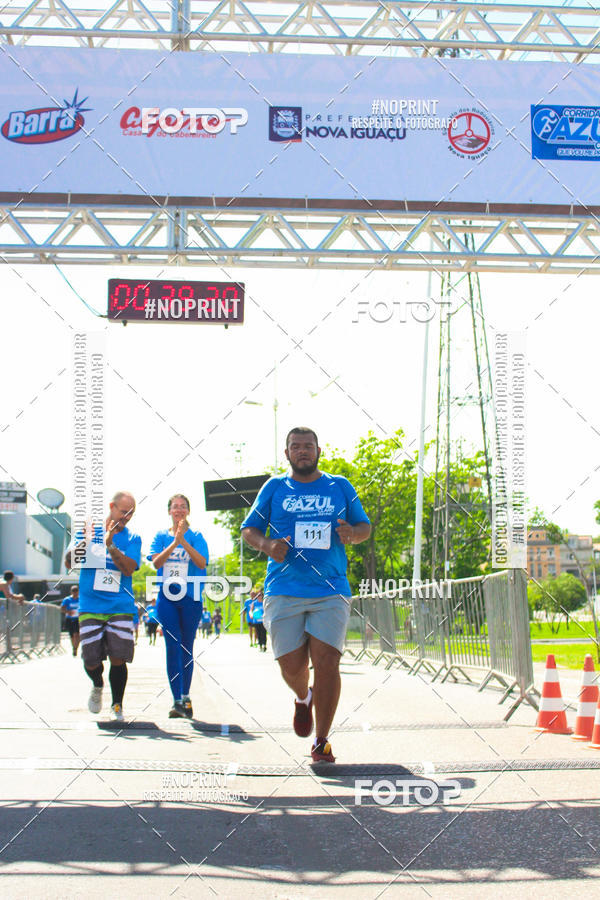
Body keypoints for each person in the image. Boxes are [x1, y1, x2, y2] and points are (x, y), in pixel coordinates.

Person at [242, 427, 371, 763]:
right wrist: (268, 545)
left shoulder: (340, 486)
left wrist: (352, 535)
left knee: (328, 662)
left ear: (318, 451)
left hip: (330, 588)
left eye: (308, 446)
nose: (303, 451)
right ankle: (303, 697)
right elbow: (249, 529)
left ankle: (322, 740)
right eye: (296, 447)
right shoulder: (274, 487)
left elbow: (364, 527)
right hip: (284, 587)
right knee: (291, 664)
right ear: (287, 453)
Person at [65, 492, 141, 722]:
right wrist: (89, 540)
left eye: (131, 513)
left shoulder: (133, 538)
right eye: (123, 511)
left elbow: (129, 569)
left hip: (120, 605)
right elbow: (70, 562)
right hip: (90, 605)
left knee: (118, 656)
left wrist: (111, 548)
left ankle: (117, 704)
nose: (126, 517)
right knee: (90, 658)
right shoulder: (88, 531)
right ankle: (97, 684)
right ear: (111, 507)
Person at [149, 493, 209, 719]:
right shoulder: (160, 536)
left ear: (188, 511)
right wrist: (174, 541)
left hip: (191, 596)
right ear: (169, 511)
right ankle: (176, 700)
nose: (179, 510)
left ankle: (186, 696)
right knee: (171, 646)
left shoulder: (197, 536)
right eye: (175, 507)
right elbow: (156, 562)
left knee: (186, 647)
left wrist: (184, 540)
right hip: (167, 597)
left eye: (183, 507)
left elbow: (202, 562)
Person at [61, 585, 80, 656]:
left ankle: (76, 648)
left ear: (78, 591)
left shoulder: (81, 599)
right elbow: (62, 608)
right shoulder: (67, 599)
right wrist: (67, 612)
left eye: (76, 591)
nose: (75, 593)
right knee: (72, 635)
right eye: (73, 591)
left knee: (77, 634)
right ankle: (73, 647)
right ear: (71, 592)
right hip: (69, 618)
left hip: (78, 619)